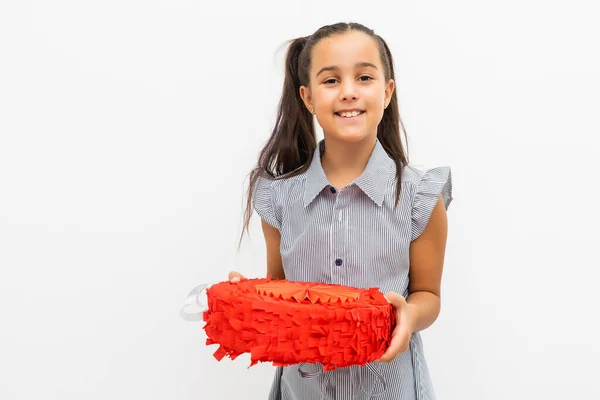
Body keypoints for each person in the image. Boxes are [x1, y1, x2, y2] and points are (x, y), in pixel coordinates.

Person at [229, 22, 452, 400]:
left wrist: (409, 316)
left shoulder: (419, 197)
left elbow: (428, 294)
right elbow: (282, 291)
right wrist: (250, 299)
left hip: (390, 389)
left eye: (364, 77)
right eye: (330, 81)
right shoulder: (279, 199)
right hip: (302, 389)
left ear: (387, 91)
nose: (348, 92)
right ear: (308, 97)